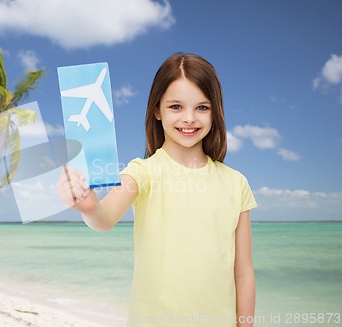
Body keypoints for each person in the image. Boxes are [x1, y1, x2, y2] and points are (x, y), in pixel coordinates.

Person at [57, 53, 256, 327]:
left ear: (215, 112)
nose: (189, 118)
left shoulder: (236, 183)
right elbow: (104, 218)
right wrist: (89, 206)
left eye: (202, 107)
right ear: (157, 110)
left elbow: (243, 272)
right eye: (176, 106)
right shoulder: (142, 172)